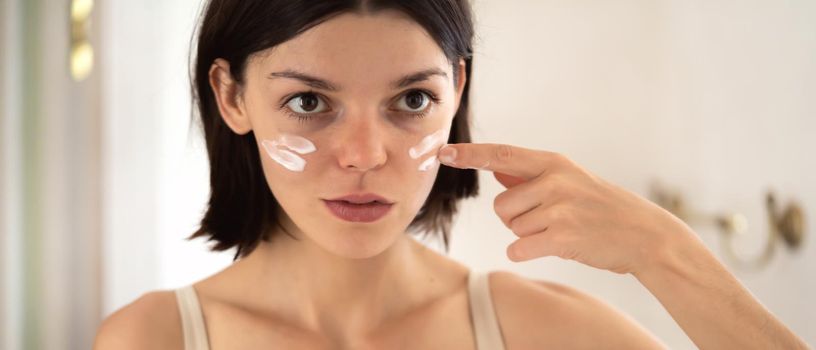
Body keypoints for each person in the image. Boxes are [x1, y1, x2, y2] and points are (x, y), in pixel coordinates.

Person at [94, 0, 810, 349]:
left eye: (412, 100)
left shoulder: (537, 331)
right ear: (231, 97)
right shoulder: (156, 339)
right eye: (309, 102)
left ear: (456, 89)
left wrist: (665, 253)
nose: (366, 153)